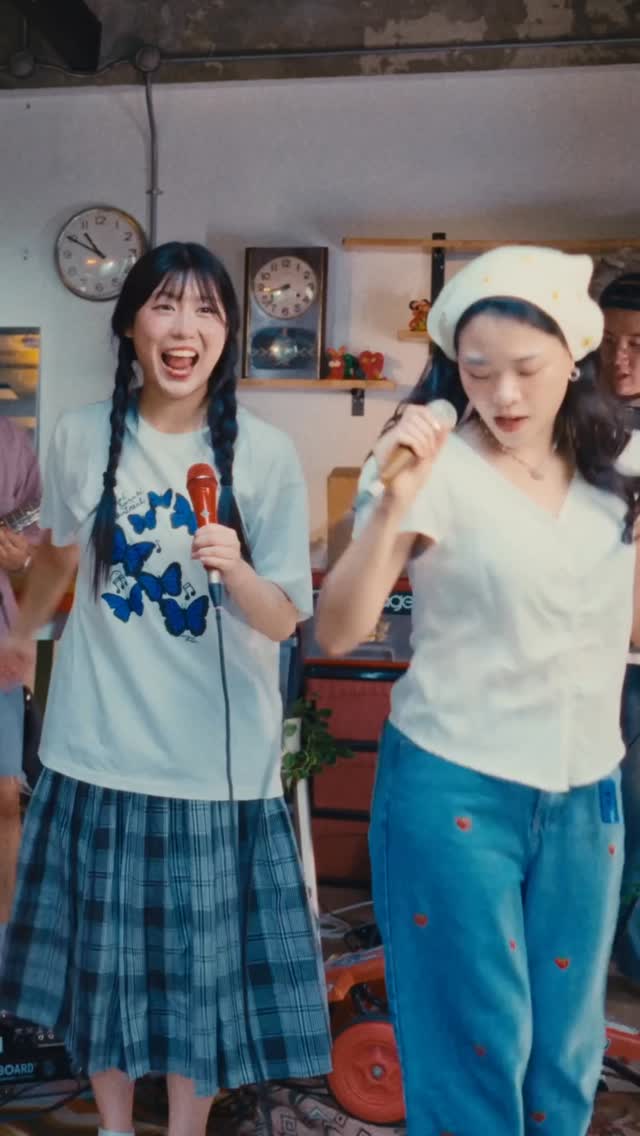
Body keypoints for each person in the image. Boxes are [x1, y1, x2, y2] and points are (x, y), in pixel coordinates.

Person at [0, 242, 331, 1136]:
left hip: (213, 772)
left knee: (199, 991)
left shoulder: (264, 453)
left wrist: (238, 569)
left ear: (227, 333)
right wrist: (22, 635)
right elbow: (61, 553)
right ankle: (115, 1127)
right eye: (164, 307)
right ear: (129, 326)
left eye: (207, 311)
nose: (185, 329)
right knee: (100, 980)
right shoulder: (79, 435)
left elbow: (284, 620)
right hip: (97, 751)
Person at [316, 246, 640, 1136]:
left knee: (565, 1054)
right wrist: (391, 504)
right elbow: (337, 628)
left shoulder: (621, 466)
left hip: (585, 788)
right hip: (455, 781)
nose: (503, 394)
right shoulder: (431, 467)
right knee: (474, 1045)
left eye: (527, 368)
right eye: (478, 368)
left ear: (574, 354)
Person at [600, 272, 640, 984]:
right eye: (608, 341)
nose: (621, 358)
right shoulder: (578, 425)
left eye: (637, 343)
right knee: (609, 819)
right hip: (598, 661)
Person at [0, 417, 41, 966]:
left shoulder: (10, 439)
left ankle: (4, 959)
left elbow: (41, 529)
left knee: (5, 803)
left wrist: (22, 557)